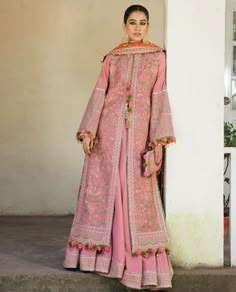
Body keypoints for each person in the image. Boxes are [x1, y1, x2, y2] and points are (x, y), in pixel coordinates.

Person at [63, 4, 176, 291]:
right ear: (124, 26)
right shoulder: (112, 58)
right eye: (132, 23)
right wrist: (89, 129)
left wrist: (159, 140)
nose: (137, 28)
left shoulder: (157, 57)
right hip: (109, 133)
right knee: (107, 190)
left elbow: (159, 96)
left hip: (139, 135)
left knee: (134, 192)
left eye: (142, 22)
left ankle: (134, 261)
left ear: (148, 26)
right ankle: (103, 259)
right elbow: (100, 91)